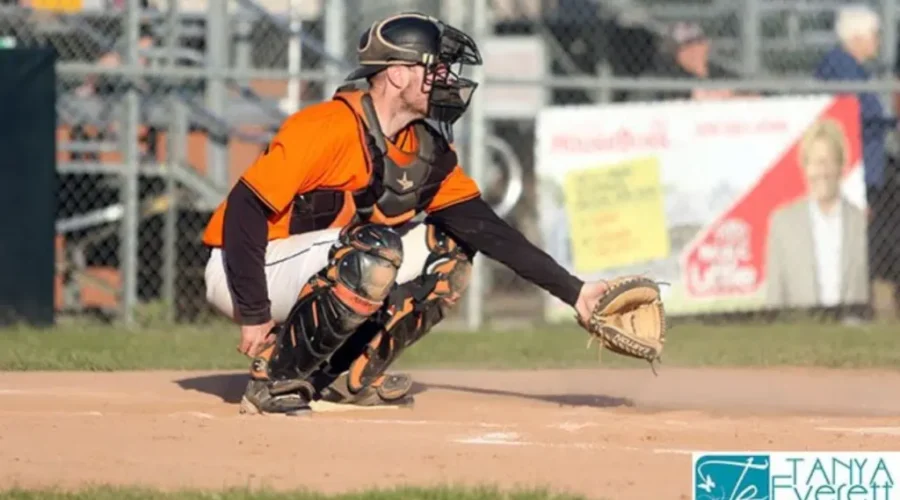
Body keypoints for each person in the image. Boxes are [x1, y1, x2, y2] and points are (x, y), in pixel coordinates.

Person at [200, 12, 614, 415]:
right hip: (245, 270)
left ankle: (346, 375)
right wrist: (254, 314)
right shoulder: (327, 126)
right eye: (434, 68)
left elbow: (490, 232)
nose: (447, 80)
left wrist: (575, 292)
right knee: (374, 250)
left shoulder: (427, 152)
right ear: (397, 74)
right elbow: (244, 211)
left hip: (328, 263)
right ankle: (274, 379)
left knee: (449, 253)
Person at [814, 4, 899, 319]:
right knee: (855, 237)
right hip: (855, 166)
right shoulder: (842, 68)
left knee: (877, 233)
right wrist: (890, 120)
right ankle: (851, 307)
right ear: (858, 37)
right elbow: (853, 117)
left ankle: (868, 301)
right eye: (874, 35)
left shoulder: (855, 67)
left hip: (872, 163)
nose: (877, 41)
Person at [765, 119, 868, 309]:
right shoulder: (782, 224)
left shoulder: (862, 223)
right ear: (804, 167)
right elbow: (775, 298)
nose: (822, 171)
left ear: (841, 166)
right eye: (815, 162)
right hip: (802, 333)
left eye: (829, 161)